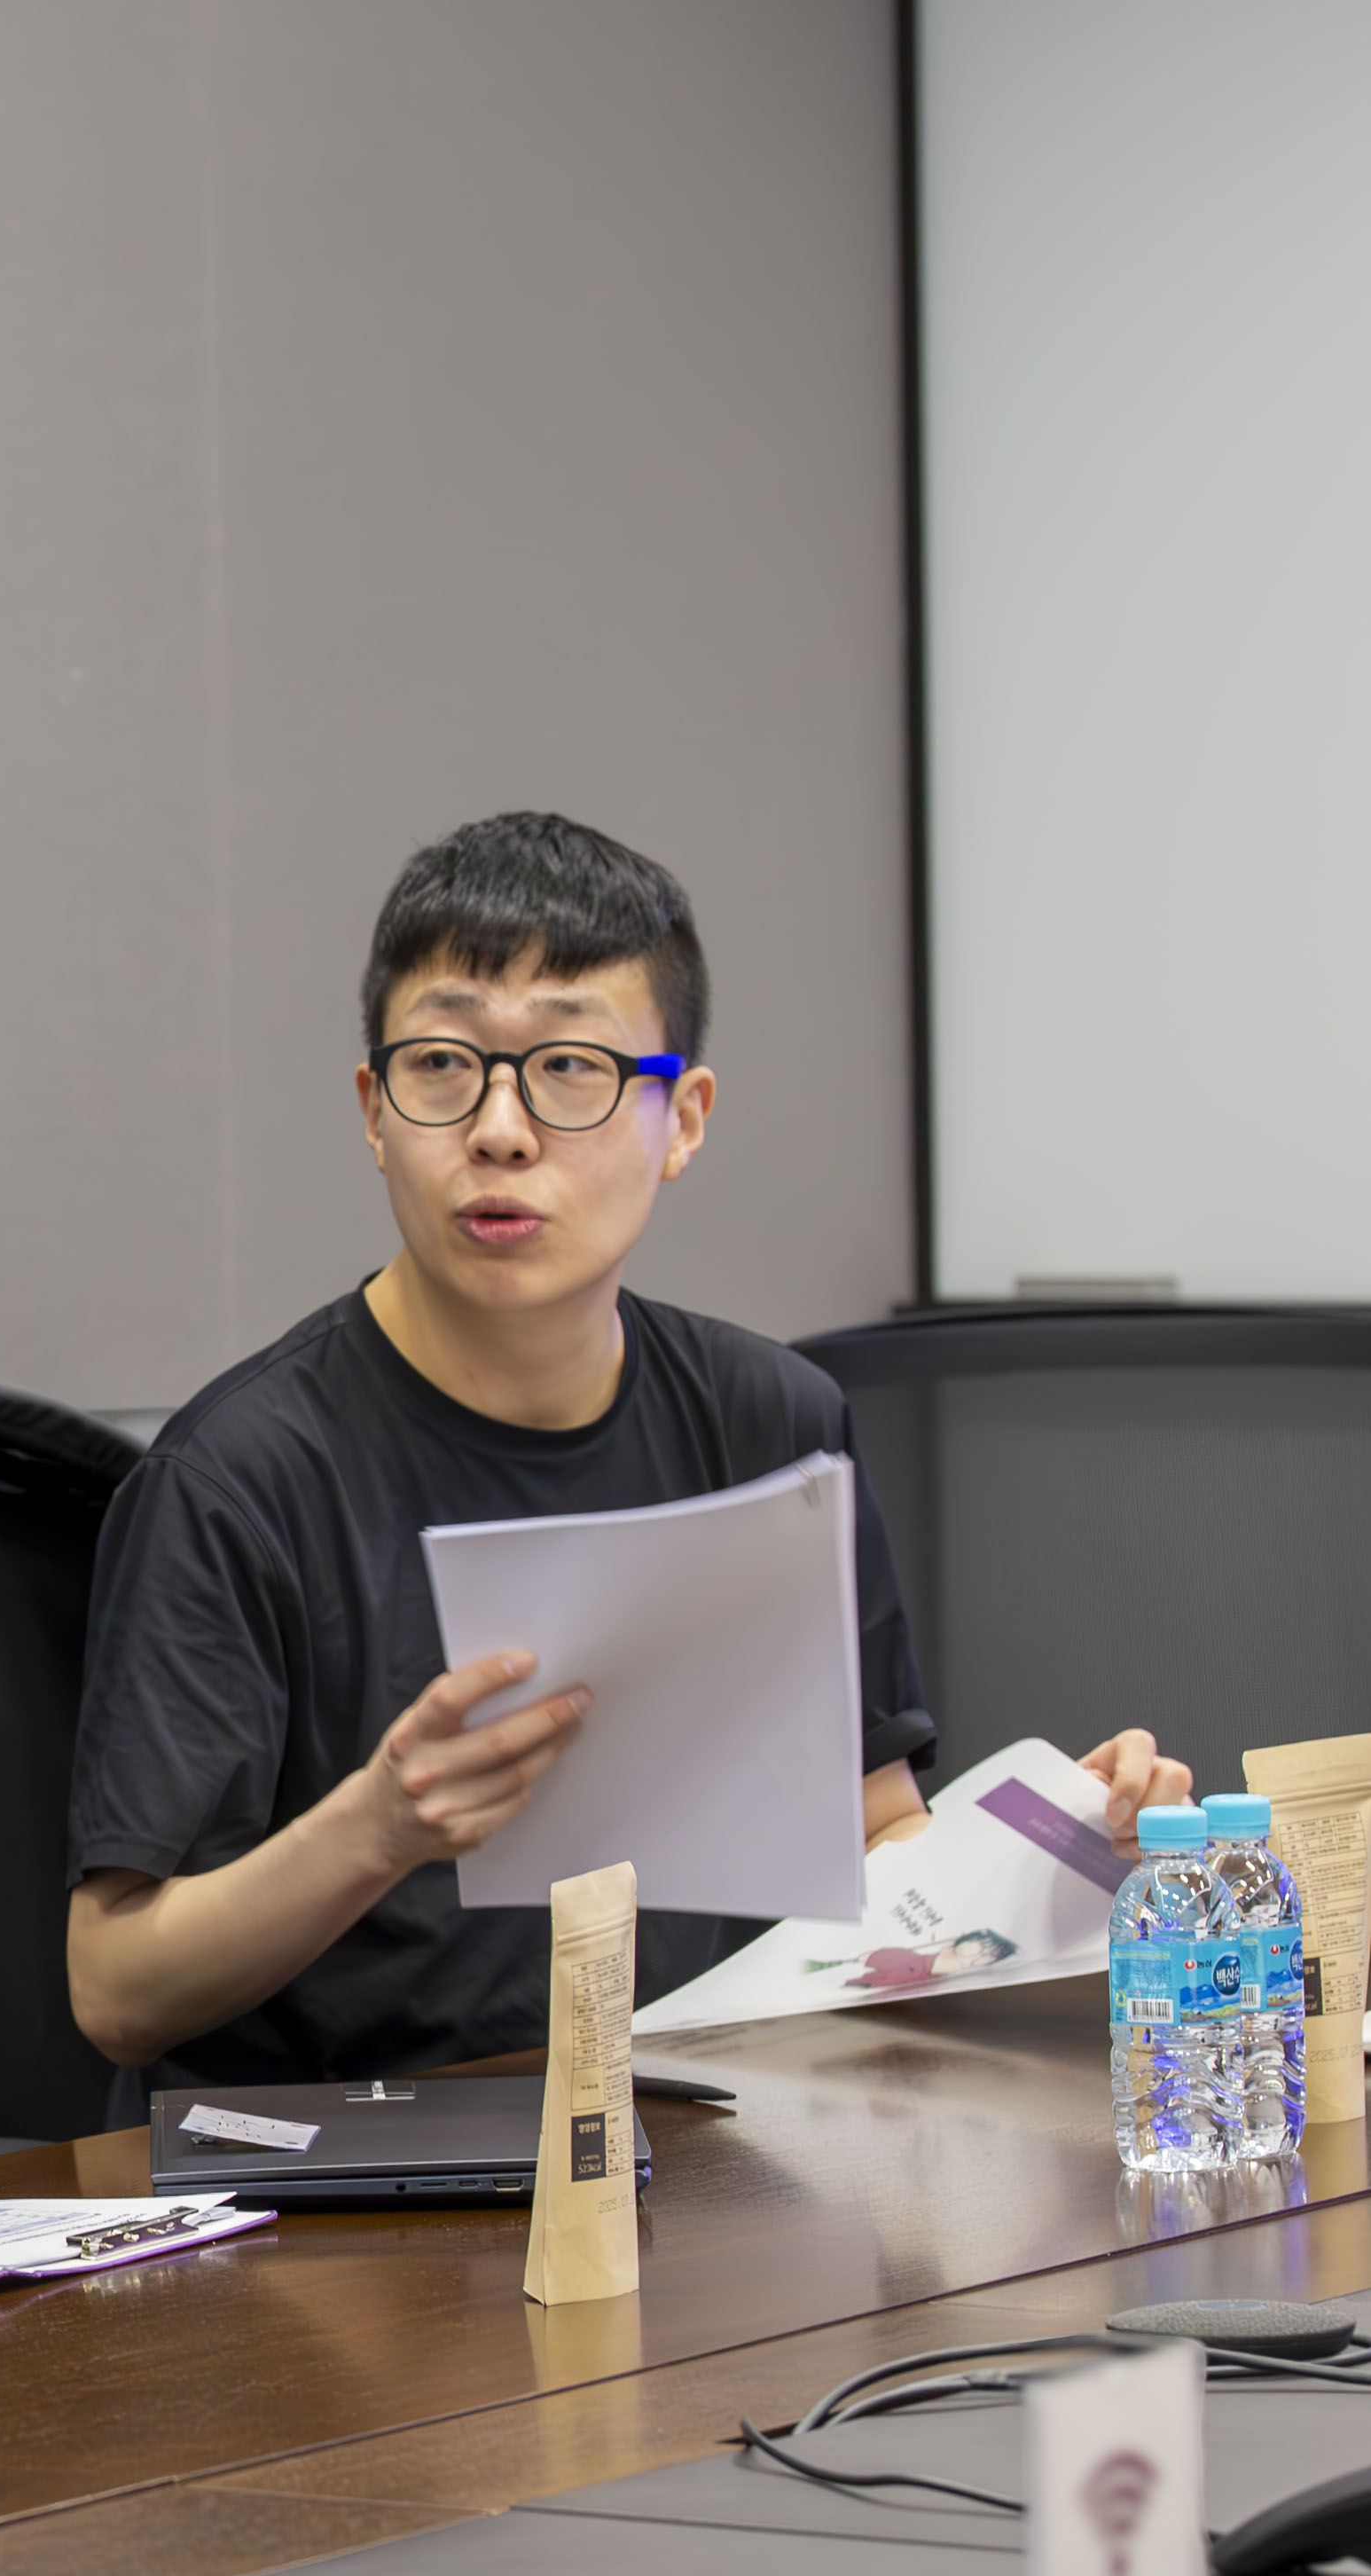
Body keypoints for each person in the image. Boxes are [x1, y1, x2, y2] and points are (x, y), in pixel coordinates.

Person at [65, 812, 1184, 2085]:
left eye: (570, 1068)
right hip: (367, 2163)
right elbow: (115, 1988)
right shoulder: (236, 1480)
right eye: (443, 1065)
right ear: (375, 1113)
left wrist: (1058, 1855)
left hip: (720, 2125)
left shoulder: (773, 1422)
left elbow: (878, 1840)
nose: (499, 1128)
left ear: (683, 1119)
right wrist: (374, 1828)